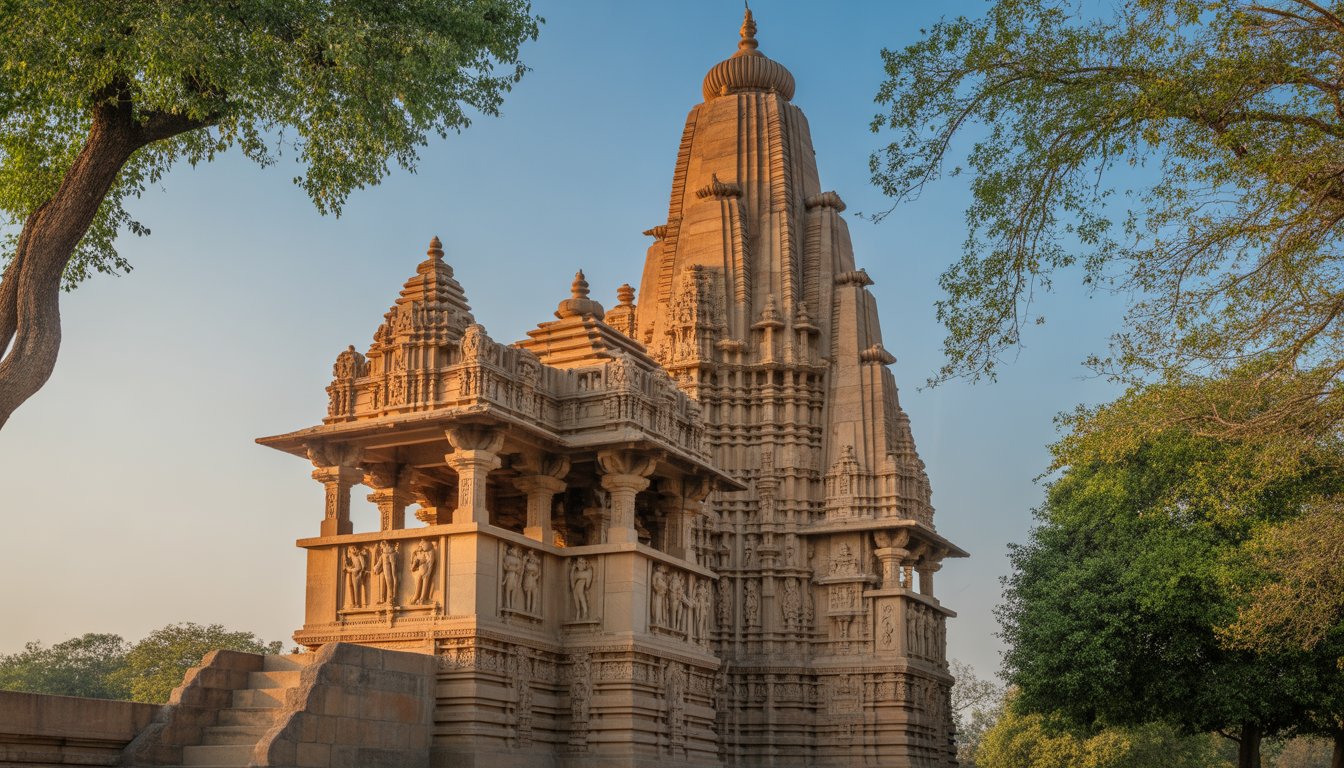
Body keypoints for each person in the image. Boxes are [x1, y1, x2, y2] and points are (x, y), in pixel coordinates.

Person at [410, 540, 436, 605]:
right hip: (421, 571)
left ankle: (422, 599)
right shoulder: (420, 555)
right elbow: (412, 569)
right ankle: (416, 598)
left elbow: (430, 564)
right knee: (418, 586)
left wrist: (428, 573)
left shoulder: (430, 552)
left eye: (421, 546)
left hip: (425, 571)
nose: (419, 548)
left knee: (424, 586)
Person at [502, 544, 523, 610]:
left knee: (514, 590)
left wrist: (514, 568)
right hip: (509, 576)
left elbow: (519, 570)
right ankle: (507, 605)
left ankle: (512, 605)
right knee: (507, 590)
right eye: (515, 550)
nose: (516, 552)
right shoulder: (508, 558)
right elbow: (506, 567)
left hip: (515, 577)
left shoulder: (518, 560)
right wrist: (514, 569)